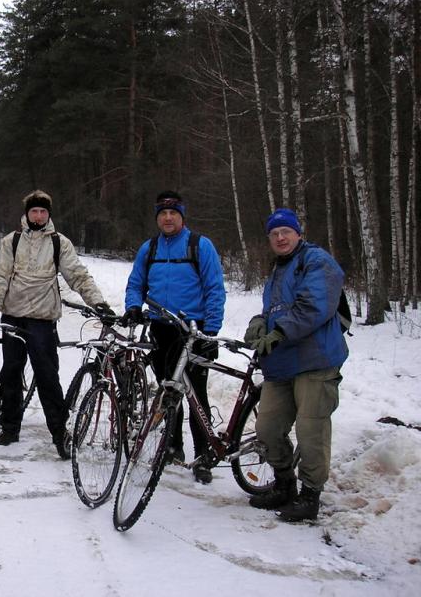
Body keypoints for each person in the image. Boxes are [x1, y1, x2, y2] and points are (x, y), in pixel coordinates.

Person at [0, 190, 114, 460]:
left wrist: (98, 302)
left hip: (42, 321)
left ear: (48, 214)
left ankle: (59, 432)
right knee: (11, 372)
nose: (39, 216)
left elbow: (77, 275)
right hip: (13, 316)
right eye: (34, 211)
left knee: (47, 377)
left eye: (43, 212)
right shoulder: (12, 241)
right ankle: (10, 427)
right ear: (27, 213)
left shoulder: (59, 243)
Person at [245, 208, 348, 522]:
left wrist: (278, 332)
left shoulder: (317, 261)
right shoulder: (276, 271)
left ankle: (310, 495)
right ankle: (284, 484)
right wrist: (258, 323)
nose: (280, 237)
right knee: (268, 428)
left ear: (297, 234)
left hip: (315, 361)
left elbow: (314, 305)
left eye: (285, 232)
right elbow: (271, 310)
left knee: (310, 429)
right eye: (274, 234)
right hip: (281, 364)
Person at [122, 191, 226, 484]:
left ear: (182, 216)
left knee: (196, 395)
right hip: (161, 328)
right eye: (163, 214)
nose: (168, 218)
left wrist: (211, 330)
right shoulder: (150, 248)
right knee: (169, 391)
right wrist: (133, 306)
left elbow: (215, 288)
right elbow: (136, 283)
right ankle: (173, 446)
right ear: (157, 218)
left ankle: (205, 454)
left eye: (173, 213)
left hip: (193, 330)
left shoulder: (199, 246)